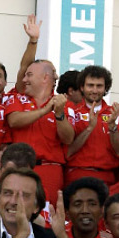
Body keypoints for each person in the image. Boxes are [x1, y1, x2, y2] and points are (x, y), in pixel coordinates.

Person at [6, 60, 75, 204]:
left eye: (29, 75)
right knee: (17, 212)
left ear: (45, 78)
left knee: (47, 217)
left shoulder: (64, 104)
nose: (25, 80)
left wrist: (59, 114)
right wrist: (45, 110)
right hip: (20, 168)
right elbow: (14, 120)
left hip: (49, 170)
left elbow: (68, 138)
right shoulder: (17, 98)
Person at [66, 65, 119, 186]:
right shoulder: (73, 112)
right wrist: (89, 128)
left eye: (99, 86)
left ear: (106, 88)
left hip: (107, 177)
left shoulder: (114, 113)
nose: (95, 90)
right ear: (82, 87)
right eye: (90, 85)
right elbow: (69, 151)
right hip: (78, 175)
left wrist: (112, 126)